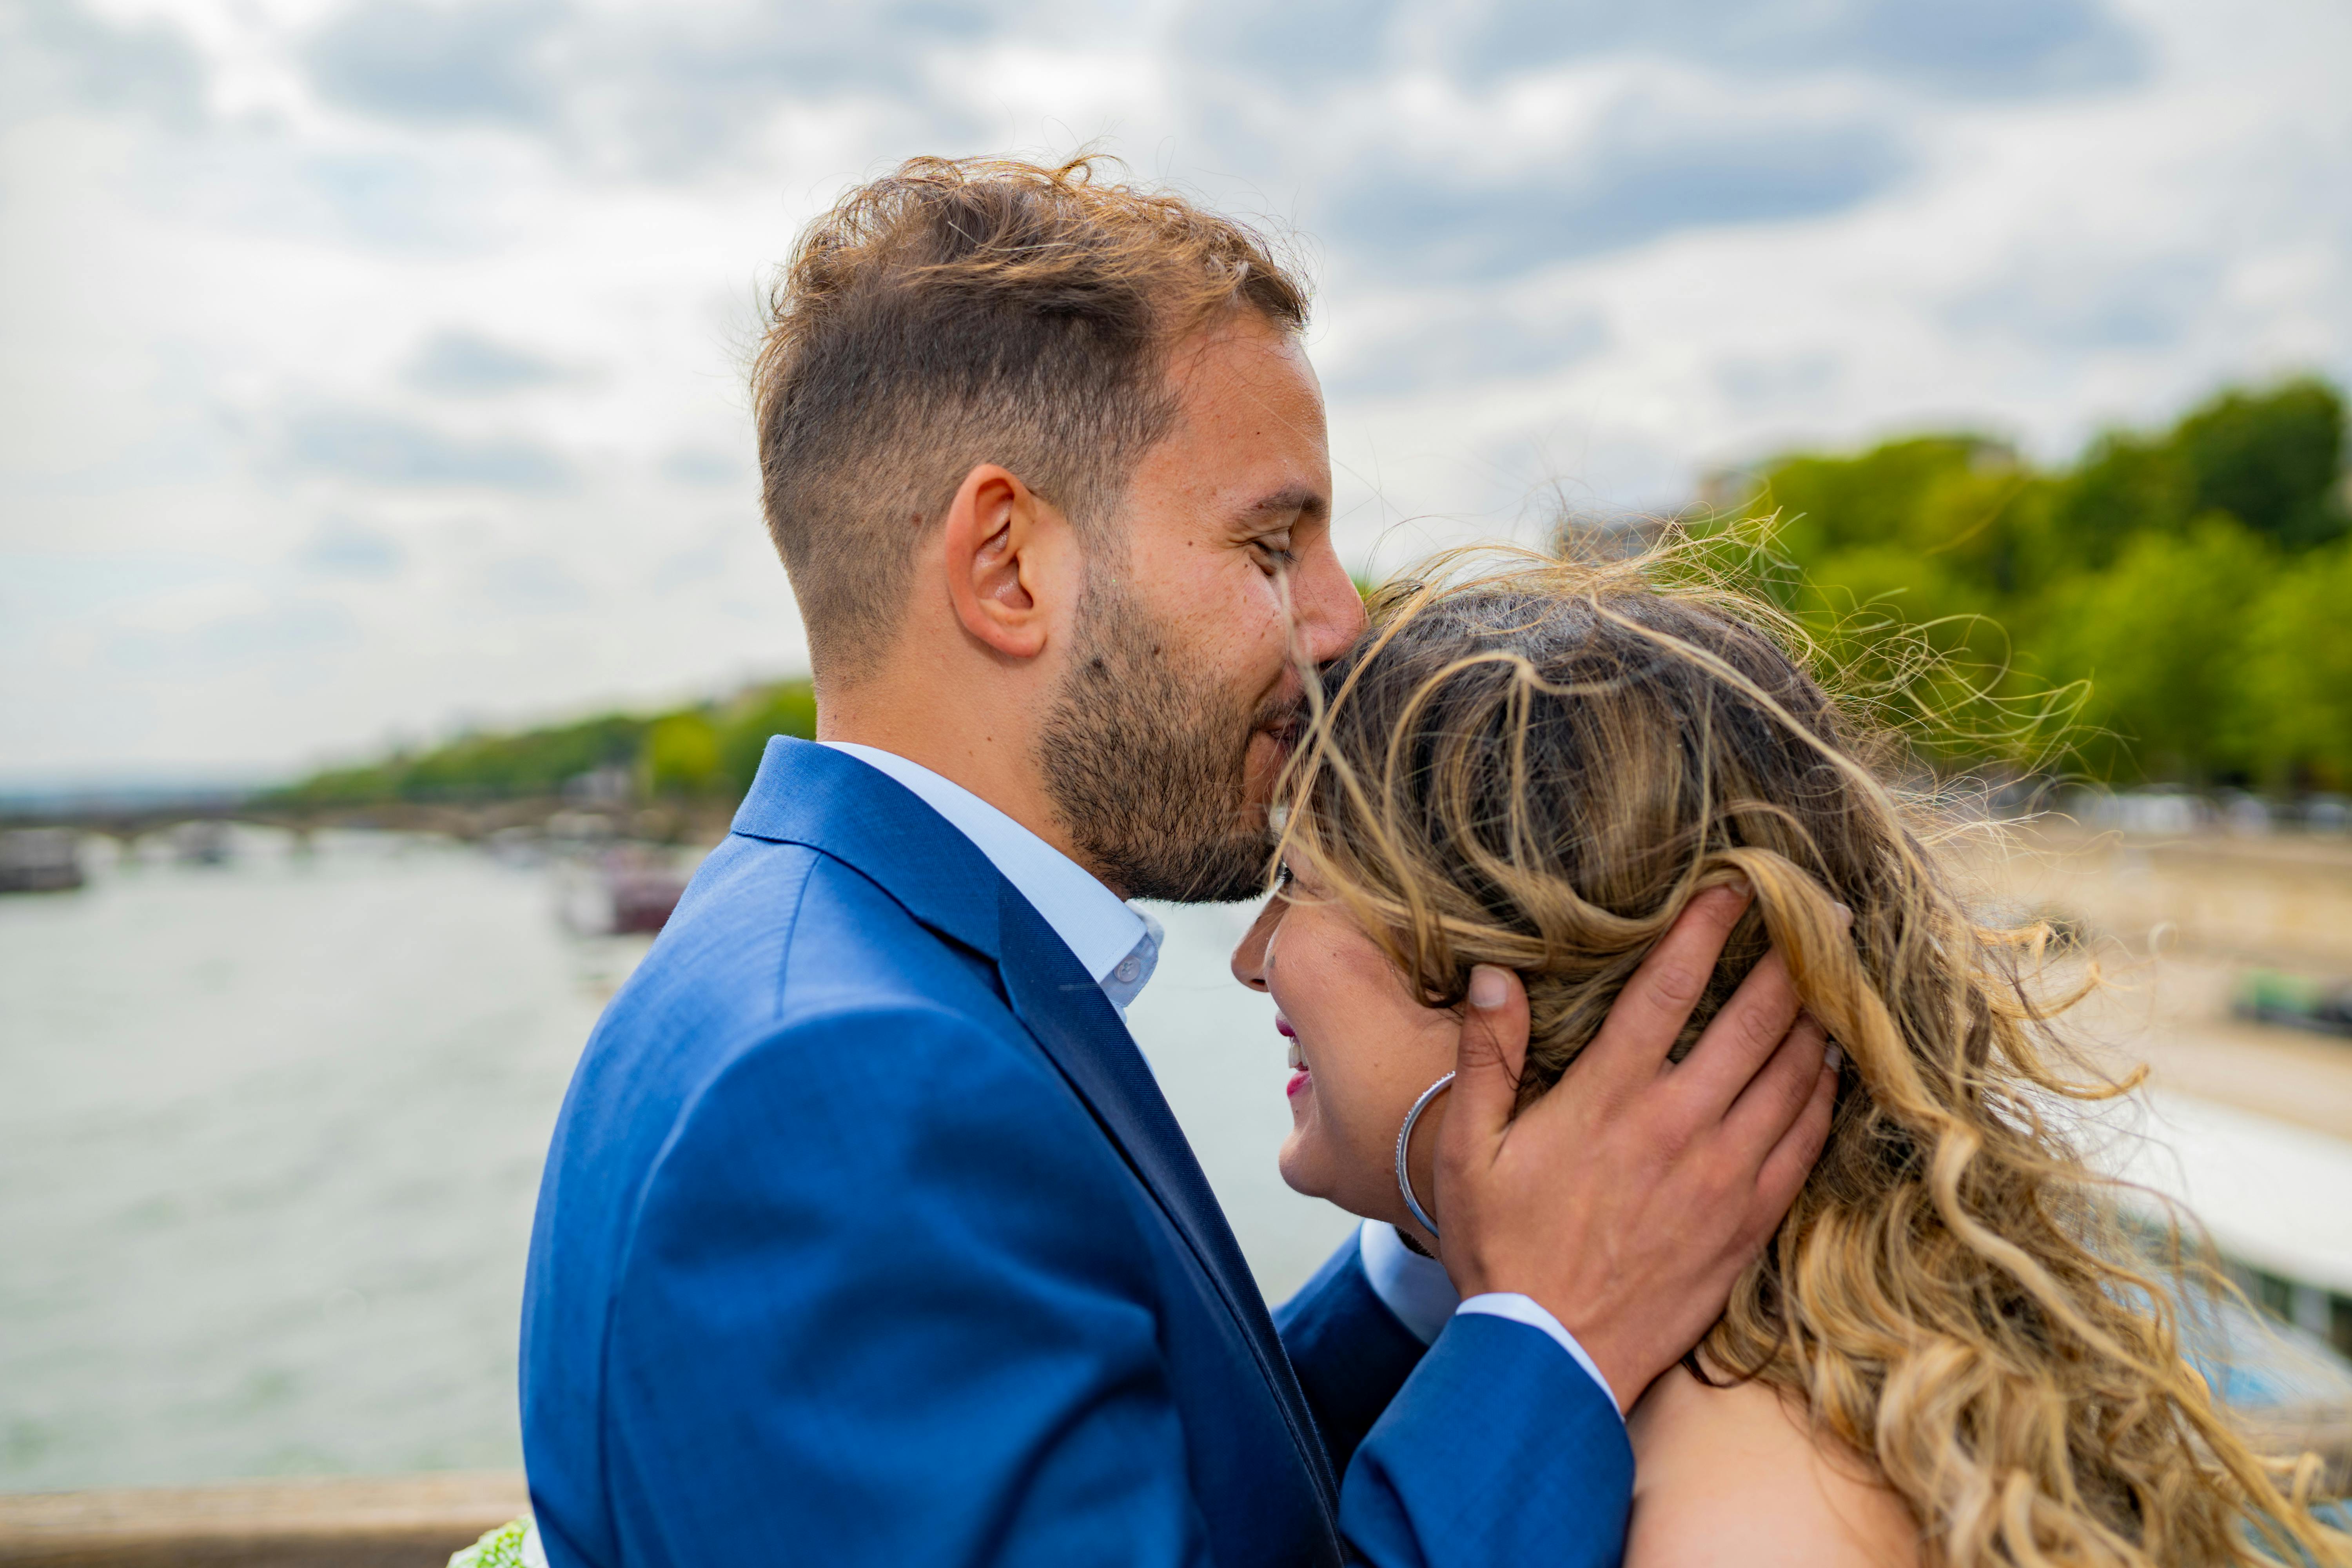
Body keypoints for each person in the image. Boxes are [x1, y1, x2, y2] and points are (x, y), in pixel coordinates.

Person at [517, 156, 1835, 1568]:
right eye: (1273, 543)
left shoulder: (850, 970)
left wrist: (1453, 1262)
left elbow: (1161, 1492)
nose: (1338, 621)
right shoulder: (849, 1089)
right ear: (1009, 567)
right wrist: (1556, 1337)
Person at [1233, 544, 2352, 1568]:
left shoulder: (1740, 1523)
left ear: (1514, 979)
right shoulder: (1783, 1406)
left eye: (1302, 880)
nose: (1250, 957)